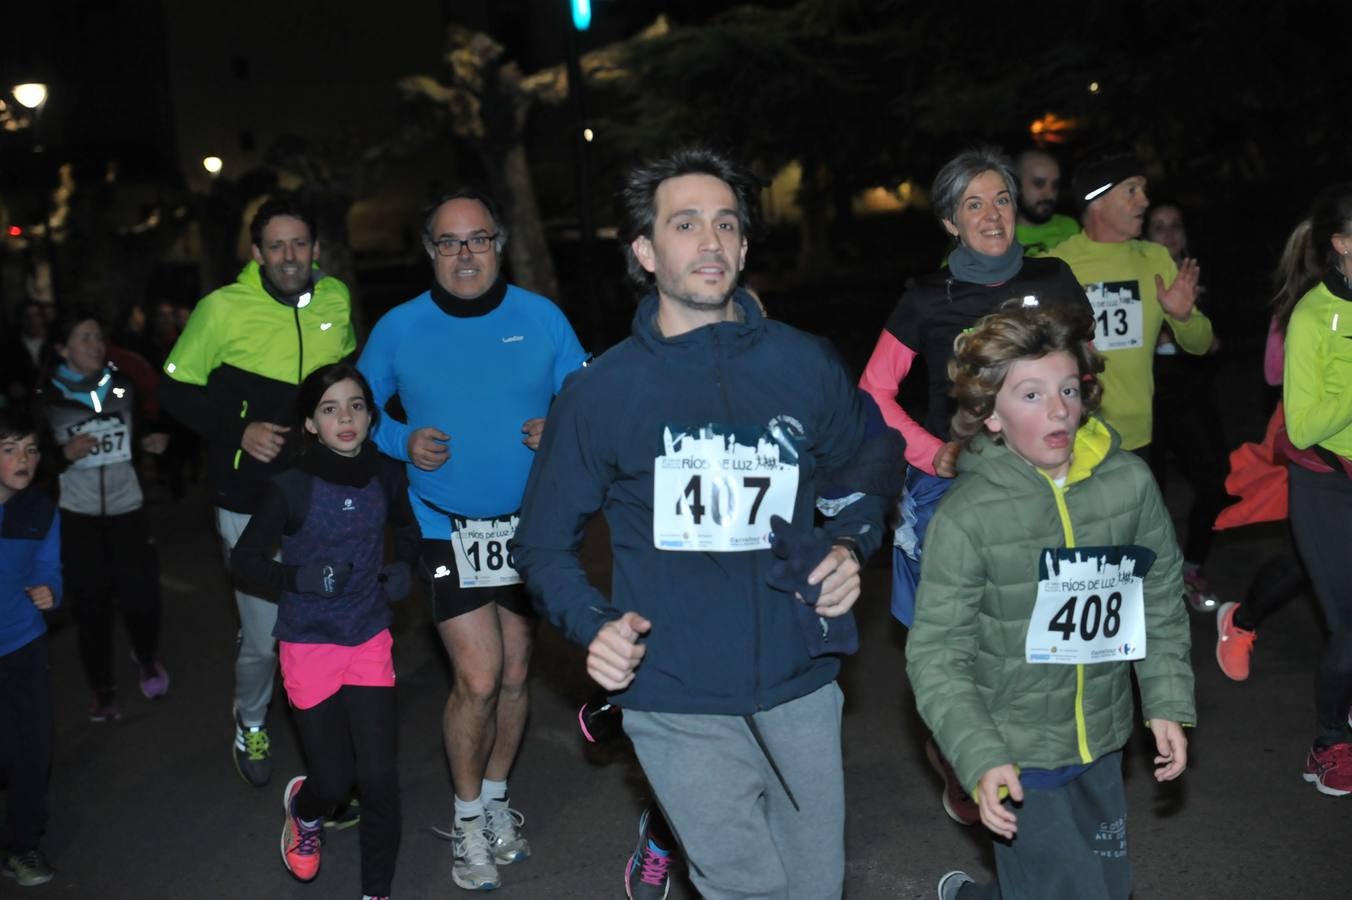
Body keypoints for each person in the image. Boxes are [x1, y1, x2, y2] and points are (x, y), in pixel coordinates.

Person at [513, 146, 894, 899]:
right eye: (685, 224)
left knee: (816, 887)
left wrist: (852, 543)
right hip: (674, 691)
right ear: (646, 252)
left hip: (799, 681)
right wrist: (595, 625)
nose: (710, 240)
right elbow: (542, 544)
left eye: (725, 223)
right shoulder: (600, 392)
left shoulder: (804, 363)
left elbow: (869, 463)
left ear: (745, 248)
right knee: (744, 887)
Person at [905, 302, 1194, 900]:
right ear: (991, 414)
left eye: (1068, 389)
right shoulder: (967, 517)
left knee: (1105, 885)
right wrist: (979, 754)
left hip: (1102, 737)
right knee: (1070, 889)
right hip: (1016, 748)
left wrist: (1165, 698)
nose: (1059, 409)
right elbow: (936, 654)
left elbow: (1159, 595)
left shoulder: (1129, 484)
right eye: (1031, 395)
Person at [357, 187, 587, 891]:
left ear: (499, 246)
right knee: (480, 678)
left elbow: (587, 397)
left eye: (478, 239)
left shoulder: (541, 318)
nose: (465, 254)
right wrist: (400, 439)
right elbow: (353, 408)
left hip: (529, 526)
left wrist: (562, 423)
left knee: (516, 675)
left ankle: (494, 803)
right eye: (450, 242)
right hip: (442, 523)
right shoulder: (400, 326)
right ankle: (464, 821)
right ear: (430, 250)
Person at [858, 146, 1089, 825]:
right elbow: (872, 392)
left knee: (1044, 643)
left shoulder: (1055, 279)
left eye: (1002, 200)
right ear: (950, 222)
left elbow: (1085, 377)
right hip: (955, 490)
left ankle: (1050, 766)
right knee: (955, 649)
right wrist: (933, 455)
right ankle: (967, 759)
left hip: (1047, 483)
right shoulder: (926, 297)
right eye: (974, 204)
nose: (992, 215)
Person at [159, 193, 356, 787]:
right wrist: (238, 430)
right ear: (257, 253)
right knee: (267, 638)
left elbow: (348, 386)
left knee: (329, 622)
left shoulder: (335, 298)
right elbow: (174, 389)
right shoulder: (221, 309)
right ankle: (250, 719)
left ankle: (331, 746)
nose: (289, 256)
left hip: (321, 493)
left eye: (299, 244)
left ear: (315, 249)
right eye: (277, 246)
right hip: (248, 497)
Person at [230, 363, 417, 899]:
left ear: (371, 416)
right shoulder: (290, 487)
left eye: (356, 406)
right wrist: (298, 578)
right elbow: (244, 559)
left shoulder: (385, 475)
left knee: (378, 779)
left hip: (368, 636)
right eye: (330, 409)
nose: (346, 419)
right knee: (333, 782)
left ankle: (376, 891)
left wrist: (405, 567)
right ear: (311, 424)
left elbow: (407, 528)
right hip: (310, 641)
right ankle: (304, 809)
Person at [1048, 152, 1217, 605]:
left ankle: (1127, 645)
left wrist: (1183, 317)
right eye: (1132, 190)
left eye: (1143, 189)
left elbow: (1201, 343)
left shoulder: (1153, 258)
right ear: (1097, 200)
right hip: (1072, 438)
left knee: (1131, 564)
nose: (1144, 200)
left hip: (1137, 439)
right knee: (1081, 564)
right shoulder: (1056, 263)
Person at [38, 310, 170, 720]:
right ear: (62, 349)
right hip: (77, 515)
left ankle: (146, 657)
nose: (96, 345)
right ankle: (102, 688)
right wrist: (63, 454)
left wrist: (151, 442)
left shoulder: (122, 386)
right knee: (91, 605)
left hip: (127, 508)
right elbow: (31, 463)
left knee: (142, 598)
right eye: (85, 337)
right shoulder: (47, 397)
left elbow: (141, 430)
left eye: (98, 337)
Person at [1272, 182, 1352, 795]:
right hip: (1328, 484)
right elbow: (1301, 426)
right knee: (1349, 628)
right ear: (1343, 244)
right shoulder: (1312, 315)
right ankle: (1328, 745)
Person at [1143, 203, 1228, 611]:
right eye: (1158, 227)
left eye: (1175, 225)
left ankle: (1193, 567)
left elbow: (1217, 343)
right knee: (1148, 497)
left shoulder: (1201, 277)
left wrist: (1183, 327)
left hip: (1192, 393)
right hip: (1146, 398)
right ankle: (1157, 579)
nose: (1169, 234)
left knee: (1217, 485)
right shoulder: (1136, 275)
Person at [0, 409, 62, 887]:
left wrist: (50, 591)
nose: (24, 459)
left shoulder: (40, 509)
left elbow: (48, 568)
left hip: (24, 645)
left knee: (32, 752)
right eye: (9, 450)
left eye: (32, 449)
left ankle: (23, 847)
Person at [1013, 149, 1079, 256]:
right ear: (1016, 185)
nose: (1050, 194)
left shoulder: (1070, 227)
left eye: (1055, 185)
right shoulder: (1002, 236)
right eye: (1039, 184)